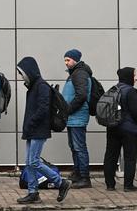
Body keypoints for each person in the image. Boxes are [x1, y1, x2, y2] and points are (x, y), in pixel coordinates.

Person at [16, 57, 71, 204]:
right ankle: (33, 193)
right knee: (29, 162)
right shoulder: (34, 86)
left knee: (33, 162)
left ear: (29, 72)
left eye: (22, 74)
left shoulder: (41, 86)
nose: (22, 77)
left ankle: (60, 182)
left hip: (38, 130)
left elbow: (43, 109)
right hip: (32, 130)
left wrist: (31, 123)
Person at [103, 67, 137, 192]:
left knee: (111, 155)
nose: (136, 78)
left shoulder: (113, 89)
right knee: (130, 157)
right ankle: (128, 185)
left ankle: (110, 184)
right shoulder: (130, 91)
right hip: (128, 129)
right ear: (129, 77)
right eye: (134, 75)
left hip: (112, 127)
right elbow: (136, 112)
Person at [61, 49, 93, 188]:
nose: (66, 63)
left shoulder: (79, 73)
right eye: (65, 60)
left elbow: (81, 96)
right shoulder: (75, 73)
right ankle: (78, 173)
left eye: (68, 60)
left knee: (79, 147)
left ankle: (85, 178)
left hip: (77, 116)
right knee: (74, 146)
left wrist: (68, 109)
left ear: (75, 60)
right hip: (72, 117)